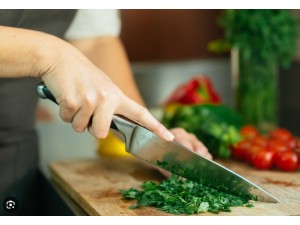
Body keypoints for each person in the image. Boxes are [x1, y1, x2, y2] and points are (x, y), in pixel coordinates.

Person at [0, 9, 211, 215]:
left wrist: (150, 141)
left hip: (14, 155)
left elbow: (95, 40)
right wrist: (50, 55)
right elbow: (60, 54)